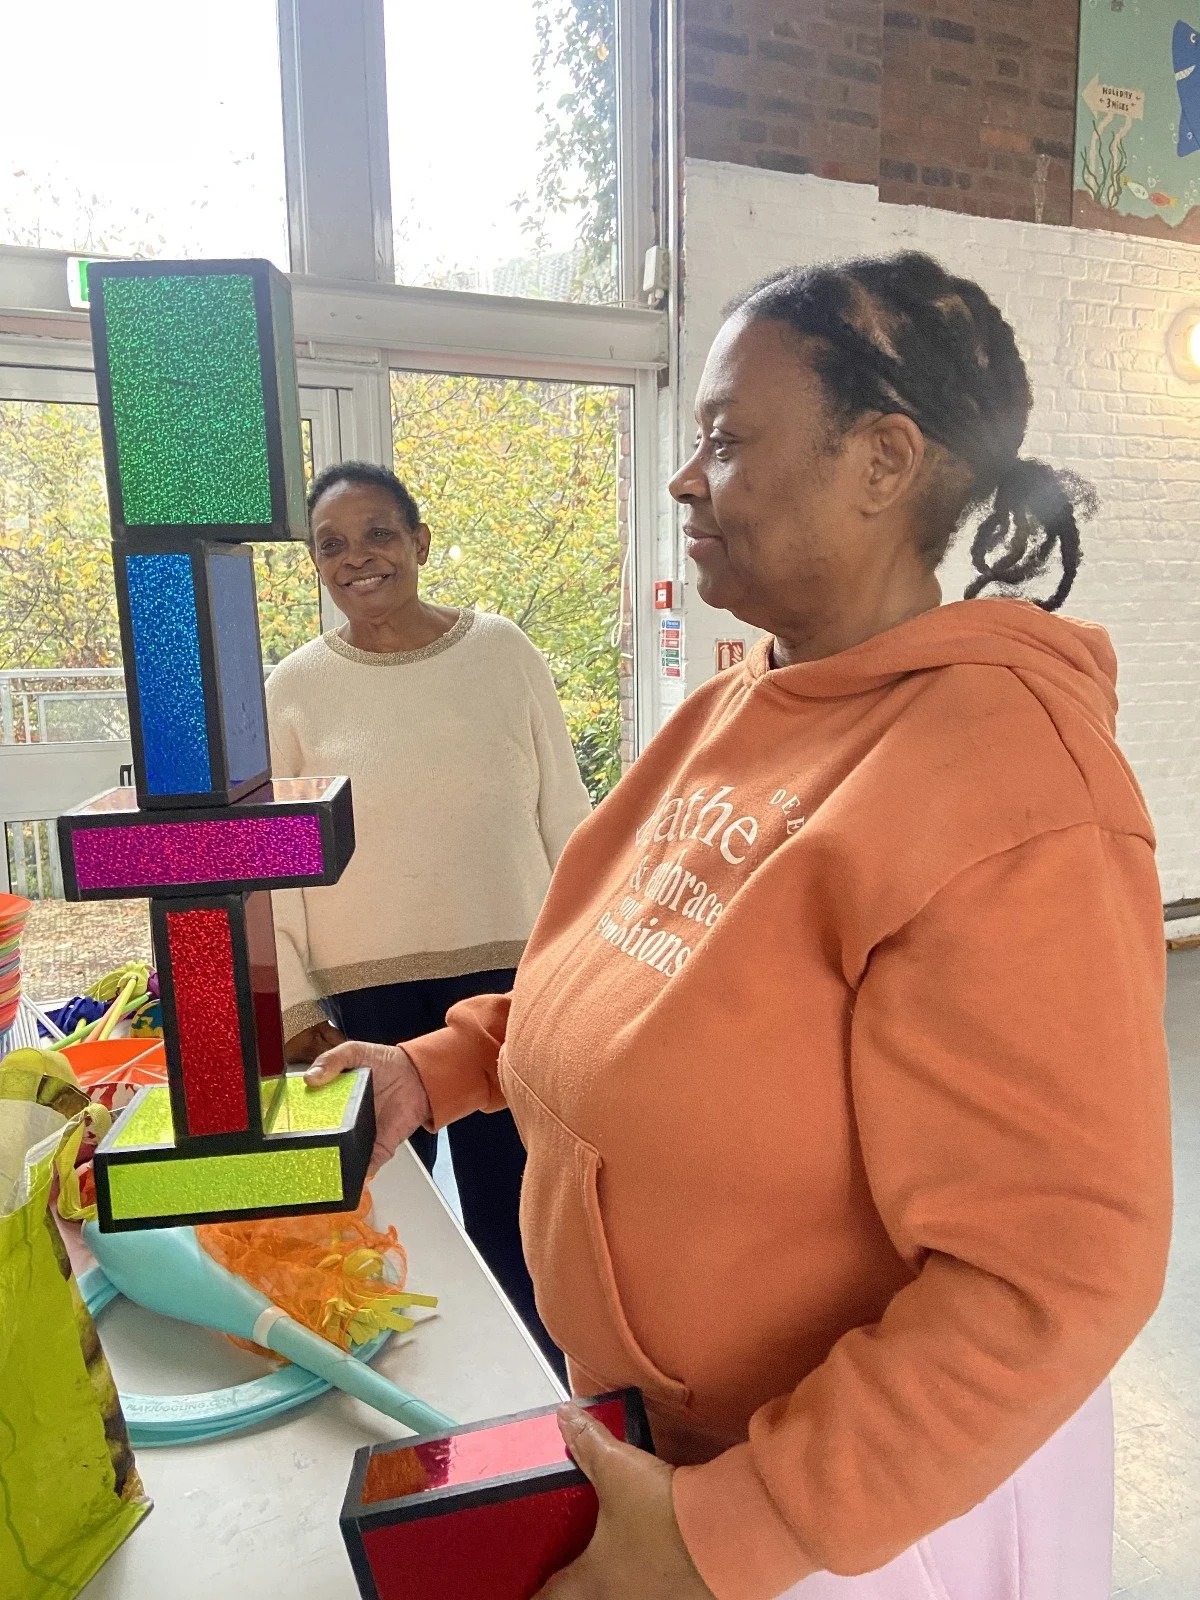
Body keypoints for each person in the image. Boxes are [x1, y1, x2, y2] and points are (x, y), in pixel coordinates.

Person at [307, 254, 1172, 1599]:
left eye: (724, 439)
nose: (684, 479)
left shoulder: (1014, 784)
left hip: (844, 1513)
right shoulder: (735, 710)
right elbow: (618, 968)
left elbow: (1055, 1267)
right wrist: (438, 1068)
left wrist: (732, 1530)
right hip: (667, 1445)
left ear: (882, 460)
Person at [267, 460, 591, 1377]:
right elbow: (275, 864)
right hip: (362, 997)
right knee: (383, 1215)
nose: (357, 558)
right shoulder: (292, 687)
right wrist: (296, 1005)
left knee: (520, 1216)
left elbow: (565, 813)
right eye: (331, 545)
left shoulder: (502, 651)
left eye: (378, 533)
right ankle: (426, 1396)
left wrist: (583, 955)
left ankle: (547, 1397)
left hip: (507, 987)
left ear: (419, 541)